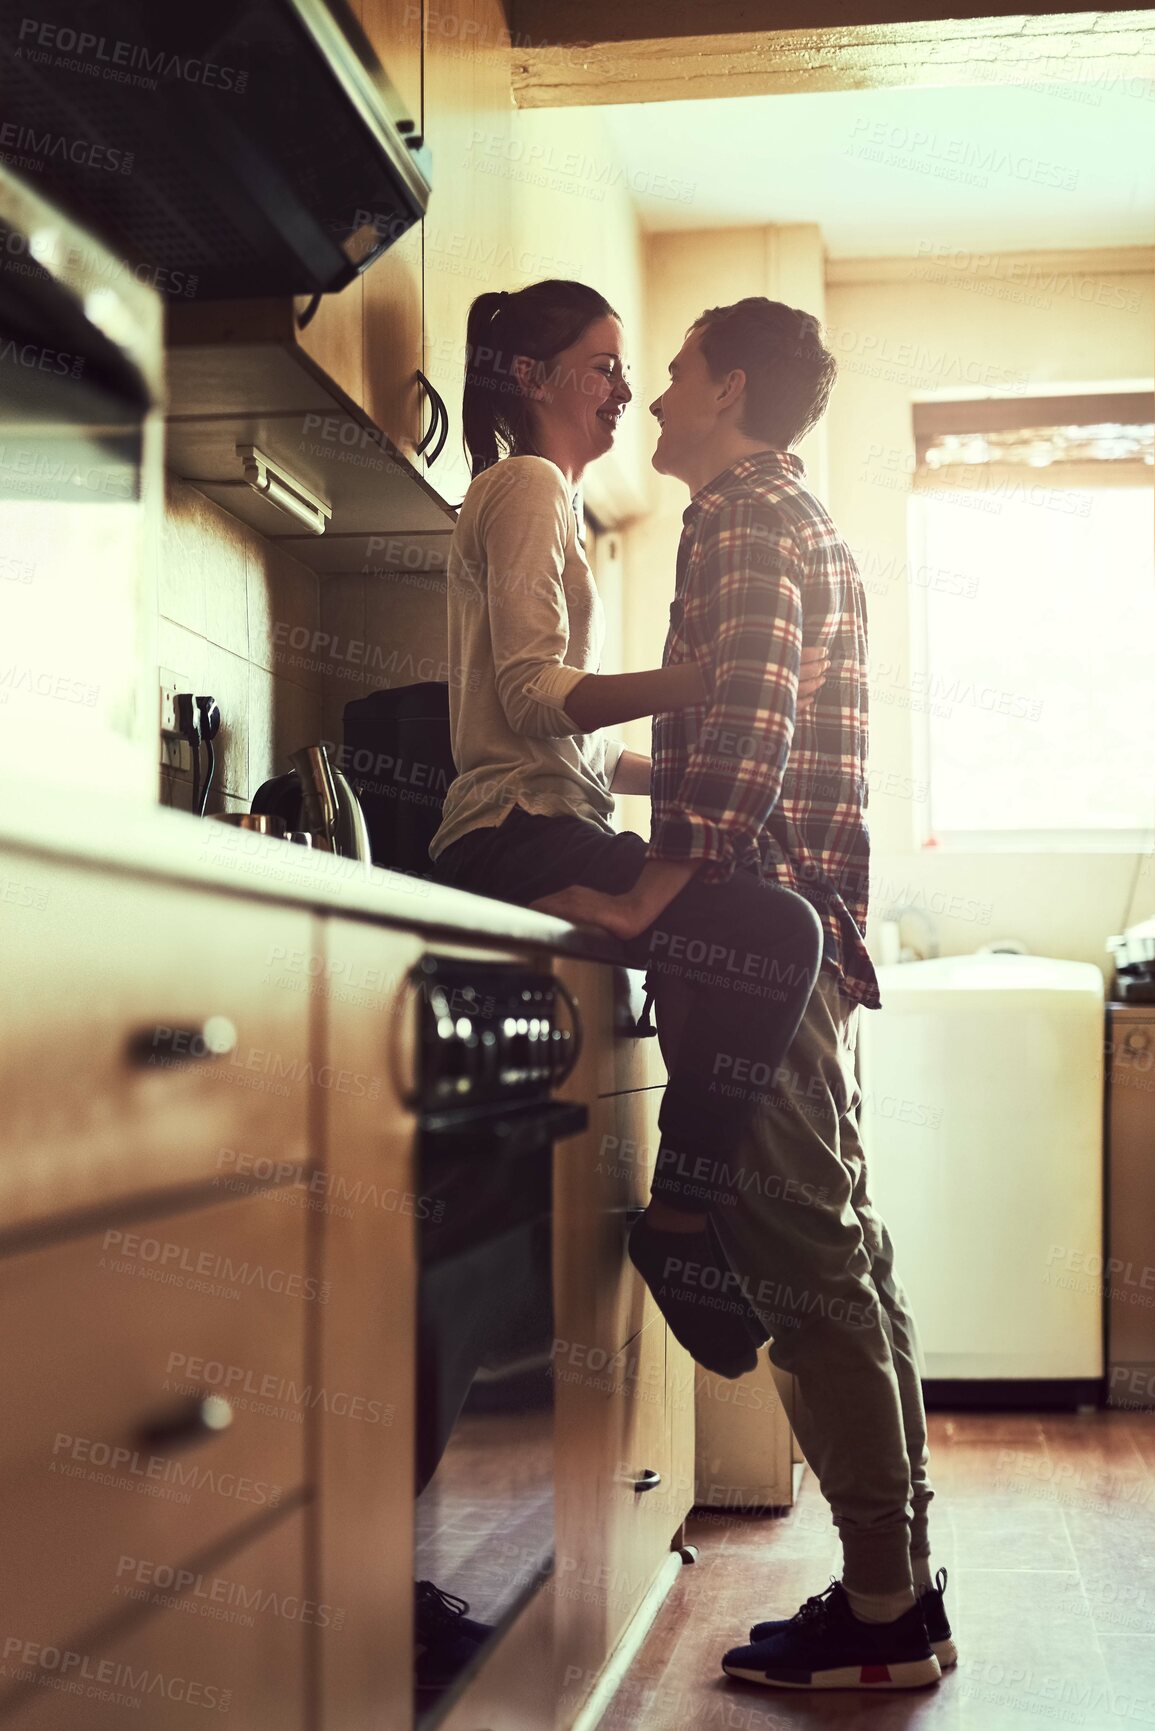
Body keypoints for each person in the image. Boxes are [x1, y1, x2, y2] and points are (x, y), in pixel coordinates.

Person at [535, 295, 953, 1694]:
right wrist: (637, 778)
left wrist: (653, 887)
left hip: (760, 948)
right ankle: (898, 1583)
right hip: (805, 938)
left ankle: (884, 1605)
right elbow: (752, 722)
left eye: (668, 376)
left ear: (725, 390)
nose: (651, 399)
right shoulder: (789, 517)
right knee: (844, 1251)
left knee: (812, 1263)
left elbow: (756, 716)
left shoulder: (742, 520)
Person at [429, 278, 828, 1382]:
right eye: (604, 365)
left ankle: (685, 1223)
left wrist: (700, 750)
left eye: (630, 368)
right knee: (775, 936)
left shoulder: (549, 501)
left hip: (544, 820)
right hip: (519, 834)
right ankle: (683, 1224)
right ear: (533, 377)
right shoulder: (521, 486)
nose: (626, 390)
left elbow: (584, 747)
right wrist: (705, 678)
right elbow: (529, 694)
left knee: (763, 929)